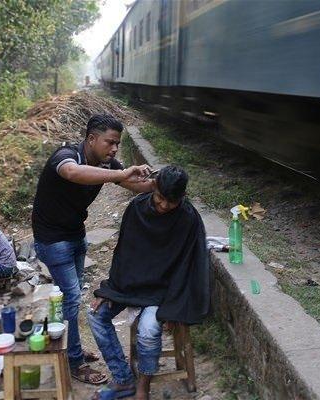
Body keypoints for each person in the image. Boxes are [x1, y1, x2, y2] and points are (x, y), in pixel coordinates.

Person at [32, 114, 154, 384]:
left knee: (71, 297)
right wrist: (121, 173)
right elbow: (73, 173)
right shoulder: (66, 156)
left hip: (76, 234)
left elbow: (134, 185)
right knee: (71, 298)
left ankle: (70, 347)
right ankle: (74, 362)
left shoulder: (107, 164)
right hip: (52, 240)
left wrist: (160, 182)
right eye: (110, 142)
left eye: (117, 144)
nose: (114, 149)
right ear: (91, 139)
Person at [88, 166, 210, 400]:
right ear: (153, 187)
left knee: (148, 330)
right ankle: (123, 379)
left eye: (171, 202)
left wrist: (174, 306)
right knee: (95, 315)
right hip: (131, 285)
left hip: (164, 291)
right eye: (160, 198)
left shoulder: (188, 218)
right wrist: (110, 290)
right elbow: (124, 253)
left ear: (182, 197)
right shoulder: (137, 208)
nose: (163, 205)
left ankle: (143, 385)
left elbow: (188, 266)